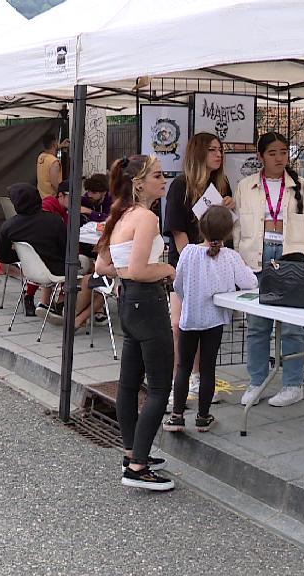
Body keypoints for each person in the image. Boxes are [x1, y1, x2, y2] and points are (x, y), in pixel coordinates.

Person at [94, 154, 175, 491]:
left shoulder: (121, 213)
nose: (164, 180)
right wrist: (169, 269)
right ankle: (138, 466)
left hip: (128, 301)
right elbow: (141, 270)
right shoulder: (144, 217)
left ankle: (132, 454)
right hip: (148, 301)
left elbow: (102, 265)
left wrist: (128, 270)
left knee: (129, 383)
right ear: (139, 183)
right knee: (158, 386)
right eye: (158, 175)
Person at [232, 132, 304, 408]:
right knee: (258, 326)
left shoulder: (302, 187)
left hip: (292, 259)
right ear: (260, 156)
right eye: (272, 153)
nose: (279, 158)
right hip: (256, 258)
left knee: (292, 328)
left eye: (283, 152)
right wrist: (238, 261)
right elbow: (237, 229)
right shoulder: (246, 186)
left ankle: (293, 384)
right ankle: (257, 381)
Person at [163, 206, 257, 434]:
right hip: (214, 320)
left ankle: (176, 416)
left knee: (183, 367)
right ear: (228, 232)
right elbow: (250, 282)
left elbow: (178, 285)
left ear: (200, 226)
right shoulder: (231, 257)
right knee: (208, 368)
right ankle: (203, 417)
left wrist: (187, 301)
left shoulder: (188, 253)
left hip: (190, 318)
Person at [163, 132, 233, 403]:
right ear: (198, 153)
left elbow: (224, 229)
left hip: (213, 263)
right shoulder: (180, 186)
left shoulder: (222, 184)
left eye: (220, 150)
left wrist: (227, 209)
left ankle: (199, 379)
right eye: (212, 150)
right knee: (178, 324)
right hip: (186, 264)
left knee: (208, 326)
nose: (218, 154)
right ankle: (175, 382)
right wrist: (189, 264)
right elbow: (177, 231)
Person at [0, 183, 97, 331]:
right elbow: (69, 252)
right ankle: (70, 307)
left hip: (30, 272)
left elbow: (0, 255)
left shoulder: (9, 226)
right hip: (57, 270)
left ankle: (54, 304)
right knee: (87, 264)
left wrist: (23, 258)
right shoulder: (54, 221)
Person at [36, 133, 66, 199]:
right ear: (54, 144)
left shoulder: (41, 157)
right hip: (51, 199)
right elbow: (54, 184)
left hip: (41, 197)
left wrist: (60, 146)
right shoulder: (54, 162)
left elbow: (50, 150)